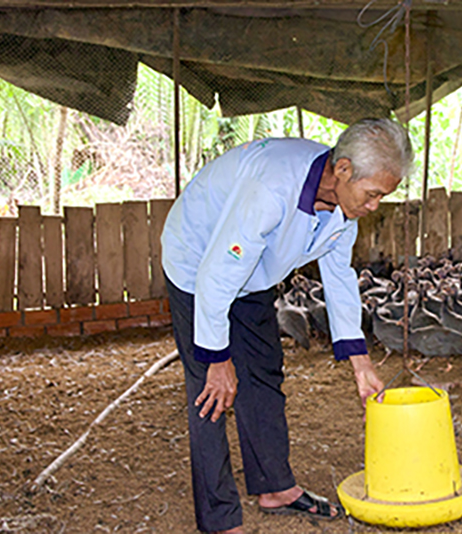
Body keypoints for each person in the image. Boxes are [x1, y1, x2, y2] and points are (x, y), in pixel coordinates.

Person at [161, 118, 413, 534]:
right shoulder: (273, 189)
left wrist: (360, 362)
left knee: (262, 370)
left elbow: (339, 276)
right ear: (344, 170)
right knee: (211, 393)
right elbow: (216, 275)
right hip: (197, 263)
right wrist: (217, 358)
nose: (375, 206)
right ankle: (220, 519)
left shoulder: (341, 205)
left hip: (251, 271)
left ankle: (275, 486)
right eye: (373, 195)